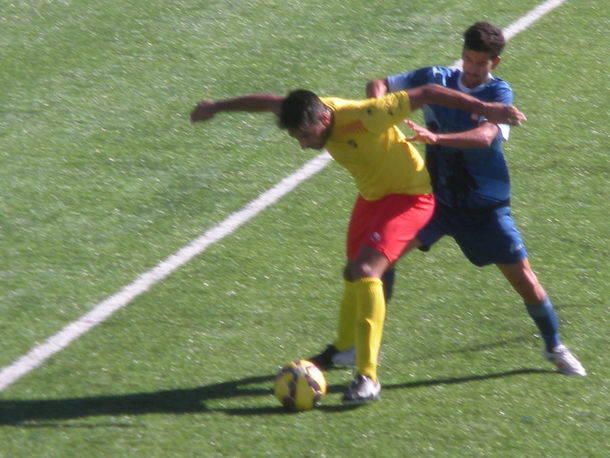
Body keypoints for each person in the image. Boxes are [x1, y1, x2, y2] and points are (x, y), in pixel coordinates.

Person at [190, 84, 525, 403]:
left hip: (411, 198)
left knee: (367, 271)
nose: (303, 145)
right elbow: (267, 102)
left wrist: (486, 108)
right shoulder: (306, 107)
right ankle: (344, 349)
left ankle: (367, 377)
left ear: (323, 119)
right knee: (351, 272)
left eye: (305, 136)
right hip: (372, 198)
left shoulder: (367, 114)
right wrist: (217, 107)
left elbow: (425, 93)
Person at [323, 21, 586, 376]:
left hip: (484, 208)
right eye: (468, 59)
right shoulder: (436, 77)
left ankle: (554, 346)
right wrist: (377, 110)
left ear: (495, 63)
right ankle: (359, 348)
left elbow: (484, 136)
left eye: (481, 63)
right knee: (369, 265)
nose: (472, 69)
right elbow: (381, 83)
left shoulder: (499, 94)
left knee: (524, 279)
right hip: (434, 203)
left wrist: (437, 139)